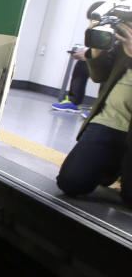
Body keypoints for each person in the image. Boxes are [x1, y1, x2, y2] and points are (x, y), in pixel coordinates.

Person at [55, 21, 132, 205]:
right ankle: (112, 165)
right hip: (110, 120)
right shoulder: (127, 33)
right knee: (71, 182)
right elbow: (99, 76)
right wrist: (97, 48)